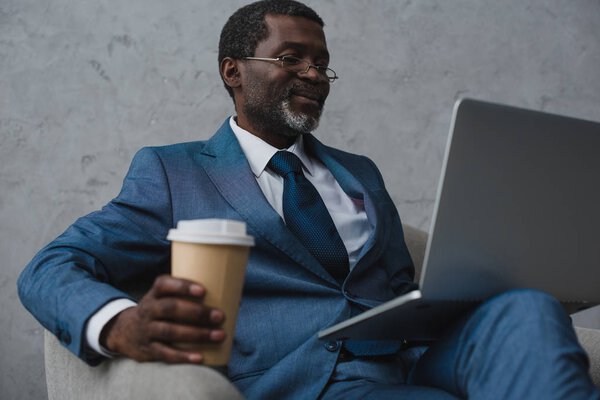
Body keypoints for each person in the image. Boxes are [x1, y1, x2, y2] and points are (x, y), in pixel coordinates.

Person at [17, 1, 599, 399]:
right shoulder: (173, 172)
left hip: (411, 362)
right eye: (291, 58)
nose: (314, 74)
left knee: (527, 308)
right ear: (233, 72)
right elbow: (50, 268)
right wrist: (119, 324)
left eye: (321, 63)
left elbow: (402, 291)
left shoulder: (361, 174)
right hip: (305, 382)